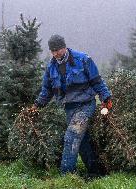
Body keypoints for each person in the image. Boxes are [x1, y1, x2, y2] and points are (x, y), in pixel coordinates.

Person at [30, 34, 112, 176]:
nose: (56, 54)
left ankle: (66, 176)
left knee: (71, 136)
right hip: (69, 109)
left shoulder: (83, 59)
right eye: (52, 51)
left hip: (85, 105)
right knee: (83, 141)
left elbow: (97, 81)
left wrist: (106, 97)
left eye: (58, 50)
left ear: (64, 47)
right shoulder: (51, 67)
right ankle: (96, 173)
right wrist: (37, 105)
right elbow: (46, 90)